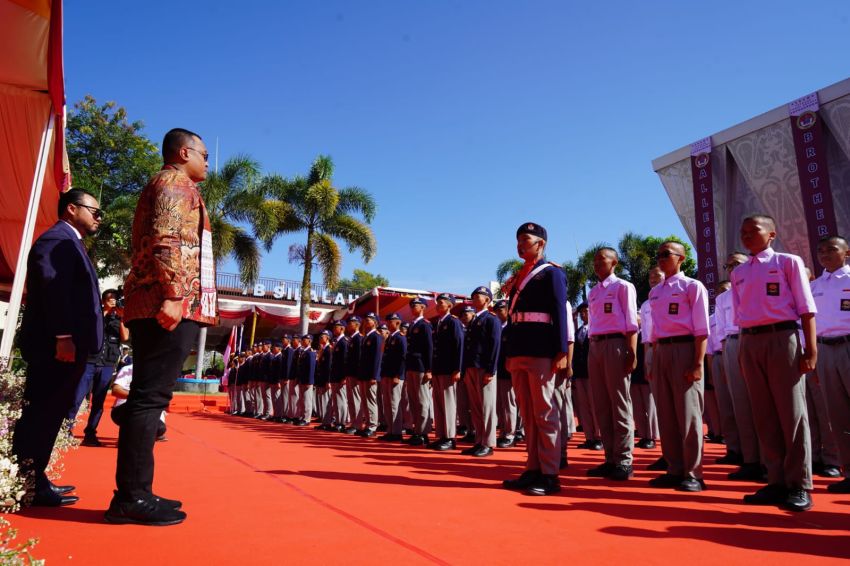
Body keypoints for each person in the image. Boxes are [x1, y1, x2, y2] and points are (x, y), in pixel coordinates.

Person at [109, 128, 217, 526]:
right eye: (204, 154)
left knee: (150, 397)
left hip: (164, 300)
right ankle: (131, 498)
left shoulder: (175, 184)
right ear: (184, 152)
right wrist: (174, 295)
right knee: (149, 398)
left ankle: (139, 491)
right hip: (167, 302)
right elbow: (166, 240)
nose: (208, 162)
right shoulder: (174, 182)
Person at [14, 189, 103, 507]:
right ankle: (29, 483)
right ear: (71, 209)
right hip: (56, 347)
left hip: (67, 347)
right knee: (42, 413)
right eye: (94, 210)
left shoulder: (70, 241)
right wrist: (63, 336)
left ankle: (36, 476)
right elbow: (54, 289)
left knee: (50, 415)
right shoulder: (57, 241)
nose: (98, 217)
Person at [731, 214, 816, 512]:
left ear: (771, 234)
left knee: (791, 413)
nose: (746, 236)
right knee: (764, 414)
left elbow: (806, 309)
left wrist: (810, 349)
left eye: (753, 231)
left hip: (783, 337)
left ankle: (799, 484)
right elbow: (740, 314)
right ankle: (776, 479)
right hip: (750, 341)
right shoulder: (739, 272)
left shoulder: (787, 262)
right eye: (743, 232)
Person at [501, 222, 569, 496]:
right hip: (519, 348)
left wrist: (561, 350)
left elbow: (560, 312)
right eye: (518, 240)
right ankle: (533, 468)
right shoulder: (519, 276)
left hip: (541, 349)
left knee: (544, 413)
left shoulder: (551, 273)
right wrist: (509, 351)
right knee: (527, 414)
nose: (520, 244)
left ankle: (550, 474)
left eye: (525, 239)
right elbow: (512, 318)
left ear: (540, 243)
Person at [647, 242, 709, 492]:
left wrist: (697, 362)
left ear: (681, 258)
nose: (661, 259)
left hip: (685, 348)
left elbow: (702, 329)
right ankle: (674, 468)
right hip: (661, 349)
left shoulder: (692, 286)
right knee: (667, 413)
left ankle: (694, 473)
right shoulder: (655, 292)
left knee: (688, 414)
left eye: (666, 255)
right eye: (659, 255)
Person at [586, 247, 638, 482]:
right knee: (602, 405)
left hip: (616, 343)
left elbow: (631, 323)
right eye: (595, 260)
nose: (597, 263)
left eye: (602, 259)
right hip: (595, 345)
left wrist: (632, 351)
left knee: (619, 403)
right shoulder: (594, 292)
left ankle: (624, 460)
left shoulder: (623, 287)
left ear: (614, 262)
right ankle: (609, 458)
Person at [716, 252, 762, 480]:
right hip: (733, 344)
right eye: (729, 265)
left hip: (756, 338)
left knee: (761, 403)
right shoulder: (723, 298)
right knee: (740, 405)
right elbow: (723, 331)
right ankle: (749, 458)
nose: (733, 268)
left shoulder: (758, 284)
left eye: (738, 264)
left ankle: (768, 458)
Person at [810, 235, 850, 493]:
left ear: (846, 252)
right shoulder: (815, 285)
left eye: (831, 249)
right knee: (837, 414)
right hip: (825, 349)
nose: (824, 254)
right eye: (820, 250)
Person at [67, 289, 130, 447]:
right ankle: (66, 431)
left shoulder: (119, 318)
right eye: (110, 298)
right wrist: (105, 312)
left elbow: (125, 337)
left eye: (116, 298)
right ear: (103, 301)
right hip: (89, 361)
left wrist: (121, 317)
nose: (113, 301)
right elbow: (89, 329)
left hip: (107, 364)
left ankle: (90, 434)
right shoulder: (95, 314)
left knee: (99, 401)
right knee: (77, 398)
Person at [461, 286, 502, 458]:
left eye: (479, 296)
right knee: (476, 408)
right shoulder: (474, 321)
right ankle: (479, 440)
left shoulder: (491, 319)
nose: (475, 298)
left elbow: (494, 346)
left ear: (487, 299)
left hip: (484, 368)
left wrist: (490, 370)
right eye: (474, 296)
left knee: (487, 407)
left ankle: (488, 443)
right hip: (472, 366)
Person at [430, 294, 465, 451]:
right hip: (438, 369)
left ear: (450, 305)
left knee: (448, 404)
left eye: (441, 303)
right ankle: (442, 435)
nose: (438, 305)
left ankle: (450, 438)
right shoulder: (438, 323)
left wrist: (457, 368)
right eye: (437, 303)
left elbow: (459, 346)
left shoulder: (453, 322)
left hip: (449, 369)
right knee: (439, 404)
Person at [635, 267, 662, 451]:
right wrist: (646, 359)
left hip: (668, 346)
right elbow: (645, 335)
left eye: (657, 276)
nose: (652, 278)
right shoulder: (645, 305)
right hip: (650, 348)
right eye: (650, 276)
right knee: (648, 391)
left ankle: (654, 434)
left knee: (657, 397)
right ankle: (645, 435)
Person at [572, 303, 603, 451]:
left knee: (595, 405)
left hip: (592, 373)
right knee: (583, 407)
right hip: (580, 373)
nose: (584, 314)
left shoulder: (598, 329)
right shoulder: (578, 331)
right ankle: (589, 437)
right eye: (582, 312)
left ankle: (599, 437)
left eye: (586, 311)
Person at [111, 365, 167, 442]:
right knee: (137, 406)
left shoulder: (156, 371)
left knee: (160, 428)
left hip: (146, 407)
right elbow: (115, 390)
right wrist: (138, 396)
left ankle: (140, 436)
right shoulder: (128, 369)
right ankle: (127, 436)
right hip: (123, 408)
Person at [405, 297, 434, 447]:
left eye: (415, 305)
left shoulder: (425, 325)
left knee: (423, 401)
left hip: (422, 367)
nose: (412, 308)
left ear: (422, 307)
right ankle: (417, 430)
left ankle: (423, 433)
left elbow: (429, 349)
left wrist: (429, 369)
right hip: (411, 366)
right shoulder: (412, 325)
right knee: (414, 401)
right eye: (411, 305)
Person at [494, 300, 519, 448]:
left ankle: (510, 434)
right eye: (497, 311)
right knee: (500, 404)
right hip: (498, 371)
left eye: (501, 310)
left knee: (510, 403)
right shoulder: (498, 327)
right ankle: (503, 432)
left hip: (509, 371)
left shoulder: (512, 327)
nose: (498, 313)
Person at [379, 313, 407, 441]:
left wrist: (398, 375)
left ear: (397, 323)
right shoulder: (390, 338)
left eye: (390, 322)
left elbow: (402, 358)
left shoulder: (400, 338)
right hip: (387, 375)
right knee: (387, 404)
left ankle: (396, 432)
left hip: (395, 376)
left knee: (395, 404)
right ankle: (390, 430)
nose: (388, 324)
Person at [357, 313, 383, 437]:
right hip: (363, 374)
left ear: (375, 322)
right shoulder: (366, 337)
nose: (366, 322)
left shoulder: (376, 337)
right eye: (365, 320)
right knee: (365, 401)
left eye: (369, 320)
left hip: (370, 375)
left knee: (371, 400)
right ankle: (367, 424)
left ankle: (373, 426)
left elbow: (377, 358)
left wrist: (374, 376)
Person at [342, 317, 363, 434]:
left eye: (350, 323)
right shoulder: (351, 339)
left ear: (357, 325)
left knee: (356, 399)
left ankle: (358, 424)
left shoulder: (359, 338)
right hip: (349, 373)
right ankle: (354, 422)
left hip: (355, 373)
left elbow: (359, 358)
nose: (348, 325)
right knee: (350, 400)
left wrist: (357, 373)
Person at [328, 322, 349, 432]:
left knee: (341, 400)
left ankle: (342, 422)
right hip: (335, 375)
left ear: (342, 328)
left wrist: (344, 376)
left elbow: (345, 360)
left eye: (336, 327)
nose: (334, 329)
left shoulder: (344, 342)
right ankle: (337, 421)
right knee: (336, 400)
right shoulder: (338, 342)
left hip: (340, 376)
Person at [295, 335, 316, 426]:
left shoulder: (310, 352)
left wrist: (309, 381)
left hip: (307, 380)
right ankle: (302, 416)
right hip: (302, 379)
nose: (302, 341)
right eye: (302, 340)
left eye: (305, 340)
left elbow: (311, 368)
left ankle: (306, 419)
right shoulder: (303, 351)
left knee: (307, 400)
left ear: (310, 341)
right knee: (302, 399)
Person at [315, 331, 333, 429]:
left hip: (326, 379)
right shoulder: (323, 349)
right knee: (323, 400)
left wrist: (328, 380)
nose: (320, 338)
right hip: (321, 378)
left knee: (326, 401)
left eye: (323, 337)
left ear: (328, 338)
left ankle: (327, 422)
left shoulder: (328, 349)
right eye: (320, 337)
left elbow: (329, 366)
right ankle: (324, 421)